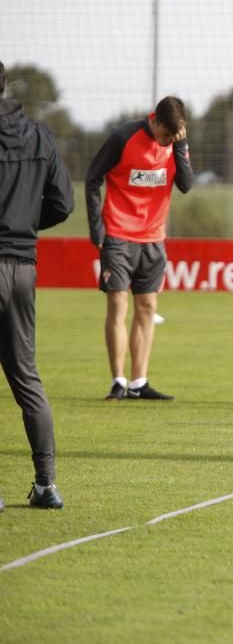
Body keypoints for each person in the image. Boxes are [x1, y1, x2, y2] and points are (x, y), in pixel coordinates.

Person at [0, 60, 74, 509]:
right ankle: (46, 484)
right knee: (27, 377)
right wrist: (26, 224)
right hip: (24, 267)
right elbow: (63, 203)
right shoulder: (39, 135)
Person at [85, 96, 192, 401]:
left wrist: (180, 149)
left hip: (154, 238)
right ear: (154, 120)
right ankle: (118, 380)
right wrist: (97, 226)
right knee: (118, 305)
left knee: (147, 308)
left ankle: (138, 383)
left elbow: (186, 185)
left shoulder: (176, 143)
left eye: (173, 137)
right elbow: (93, 178)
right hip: (118, 234)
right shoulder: (123, 137)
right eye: (164, 135)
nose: (166, 141)